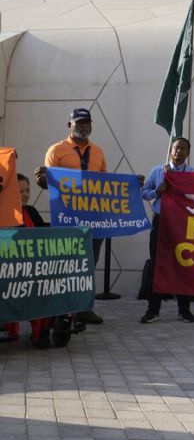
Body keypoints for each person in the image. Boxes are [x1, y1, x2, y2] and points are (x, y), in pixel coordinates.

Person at [34, 108, 107, 325]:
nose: (83, 126)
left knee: (89, 263)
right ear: (69, 126)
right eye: (78, 123)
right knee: (66, 262)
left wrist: (129, 186)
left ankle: (84, 308)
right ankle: (63, 307)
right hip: (66, 218)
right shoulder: (56, 150)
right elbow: (48, 183)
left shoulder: (99, 152)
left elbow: (106, 185)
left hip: (93, 217)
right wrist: (41, 180)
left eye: (87, 123)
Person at [140, 138, 194, 324]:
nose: (178, 151)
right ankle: (153, 310)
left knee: (183, 264)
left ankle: (184, 310)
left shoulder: (193, 174)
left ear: (188, 152)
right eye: (176, 147)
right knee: (157, 265)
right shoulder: (158, 171)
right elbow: (143, 192)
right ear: (170, 150)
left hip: (183, 223)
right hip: (161, 222)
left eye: (183, 148)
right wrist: (158, 191)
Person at [1, 174, 51, 348]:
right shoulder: (3, 213)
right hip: (8, 271)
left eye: (27, 190)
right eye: (20, 190)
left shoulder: (31, 211)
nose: (25, 194)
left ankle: (39, 333)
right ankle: (10, 329)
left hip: (32, 270)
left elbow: (45, 230)